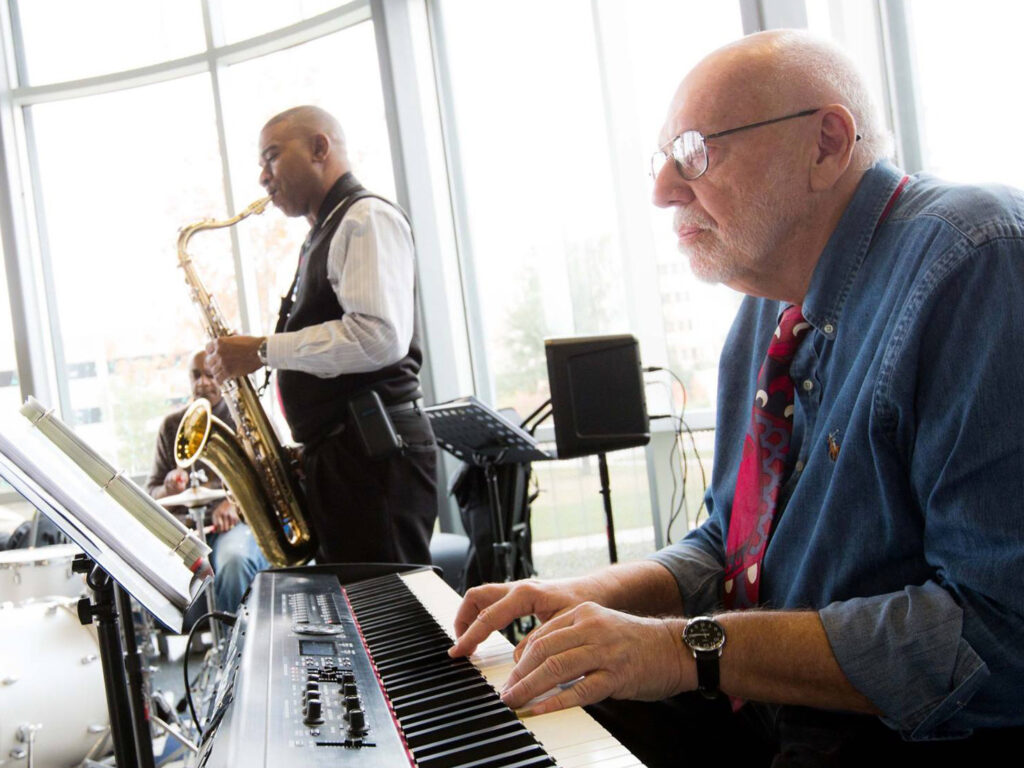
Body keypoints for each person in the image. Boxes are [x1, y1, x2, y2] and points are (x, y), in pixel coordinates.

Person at [448, 29, 1024, 765]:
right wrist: (584, 595)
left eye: (695, 151)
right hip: (767, 717)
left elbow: (998, 636)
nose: (662, 190)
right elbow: (734, 547)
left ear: (826, 143)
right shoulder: (766, 307)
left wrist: (679, 649)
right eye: (662, 160)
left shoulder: (977, 262)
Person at [205, 105, 437, 566]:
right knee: (360, 618)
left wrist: (262, 350)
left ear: (319, 148)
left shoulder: (365, 218)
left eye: (271, 157)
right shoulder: (323, 231)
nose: (263, 178)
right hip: (349, 454)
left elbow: (378, 337)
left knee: (389, 617)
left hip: (371, 455)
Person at [147, 350, 268, 611]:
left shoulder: (244, 419)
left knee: (234, 561)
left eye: (209, 375)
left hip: (236, 529)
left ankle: (239, 648)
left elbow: (271, 483)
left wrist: (236, 503)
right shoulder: (171, 425)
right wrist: (167, 488)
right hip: (187, 533)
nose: (202, 382)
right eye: (195, 375)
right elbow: (151, 495)